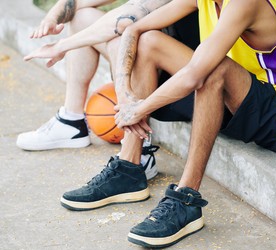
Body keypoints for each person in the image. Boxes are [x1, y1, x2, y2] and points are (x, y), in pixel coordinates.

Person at [27, 0, 276, 248]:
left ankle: (186, 199)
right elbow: (133, 29)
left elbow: (194, 74)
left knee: (213, 68)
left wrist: (140, 108)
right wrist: (124, 92)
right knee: (150, 40)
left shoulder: (244, 3)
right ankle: (129, 168)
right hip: (238, 103)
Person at [19, 0, 199, 180]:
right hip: (164, 68)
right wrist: (53, 15)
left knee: (134, 39)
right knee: (83, 17)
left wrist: (62, 46)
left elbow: (128, 19)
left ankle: (139, 148)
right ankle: (71, 121)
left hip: (191, 86)